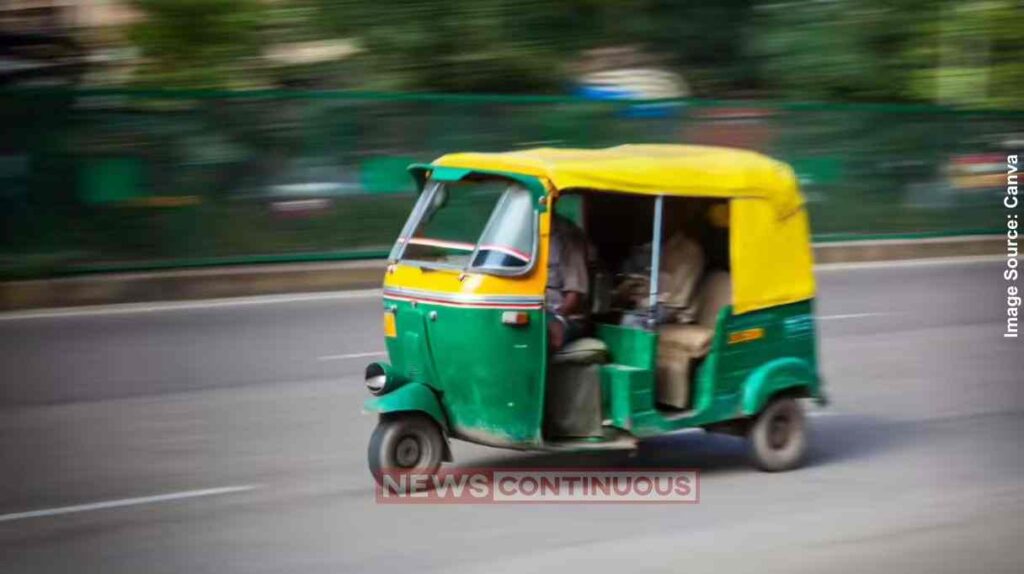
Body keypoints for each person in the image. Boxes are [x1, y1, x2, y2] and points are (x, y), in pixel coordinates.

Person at [547, 213, 590, 350]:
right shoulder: (519, 230)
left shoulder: (567, 235)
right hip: (533, 311)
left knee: (542, 333)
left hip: (562, 315)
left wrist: (557, 318)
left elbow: (574, 297)